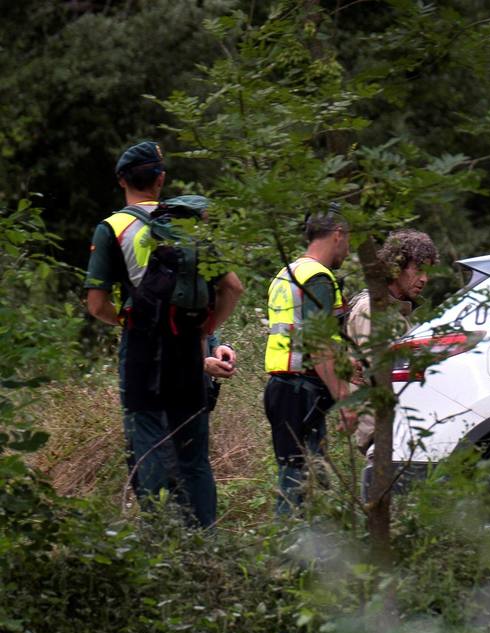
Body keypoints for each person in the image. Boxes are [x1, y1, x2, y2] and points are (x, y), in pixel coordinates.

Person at [84, 140, 243, 527]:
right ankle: (205, 541)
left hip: (142, 353)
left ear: (122, 181)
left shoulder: (113, 228)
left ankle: (162, 542)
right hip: (189, 349)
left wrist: (132, 322)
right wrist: (206, 329)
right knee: (193, 455)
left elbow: (96, 305)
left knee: (148, 446)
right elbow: (233, 287)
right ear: (161, 179)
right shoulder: (188, 222)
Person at [264, 208, 356, 516]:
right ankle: (285, 554)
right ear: (338, 234)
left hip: (283, 386)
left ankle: (309, 551)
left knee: (308, 477)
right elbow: (317, 344)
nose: (349, 249)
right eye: (349, 240)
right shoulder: (317, 277)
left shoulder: (286, 273)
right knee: (298, 481)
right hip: (302, 390)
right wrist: (344, 398)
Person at [345, 229, 440, 454]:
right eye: (419, 269)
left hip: (394, 428)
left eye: (428, 272)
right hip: (381, 431)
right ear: (396, 267)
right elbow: (381, 375)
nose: (425, 279)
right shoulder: (372, 310)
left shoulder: (395, 312)